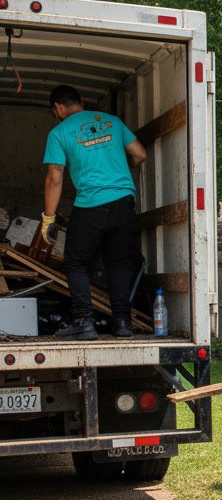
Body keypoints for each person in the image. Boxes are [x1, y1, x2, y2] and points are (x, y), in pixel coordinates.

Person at [40, 85, 147, 340]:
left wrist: (49, 218)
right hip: (124, 203)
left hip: (91, 205)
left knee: (76, 262)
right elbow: (140, 154)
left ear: (57, 108)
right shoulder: (112, 122)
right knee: (118, 263)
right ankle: (122, 323)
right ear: (81, 101)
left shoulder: (59, 133)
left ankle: (83, 321)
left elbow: (55, 177)